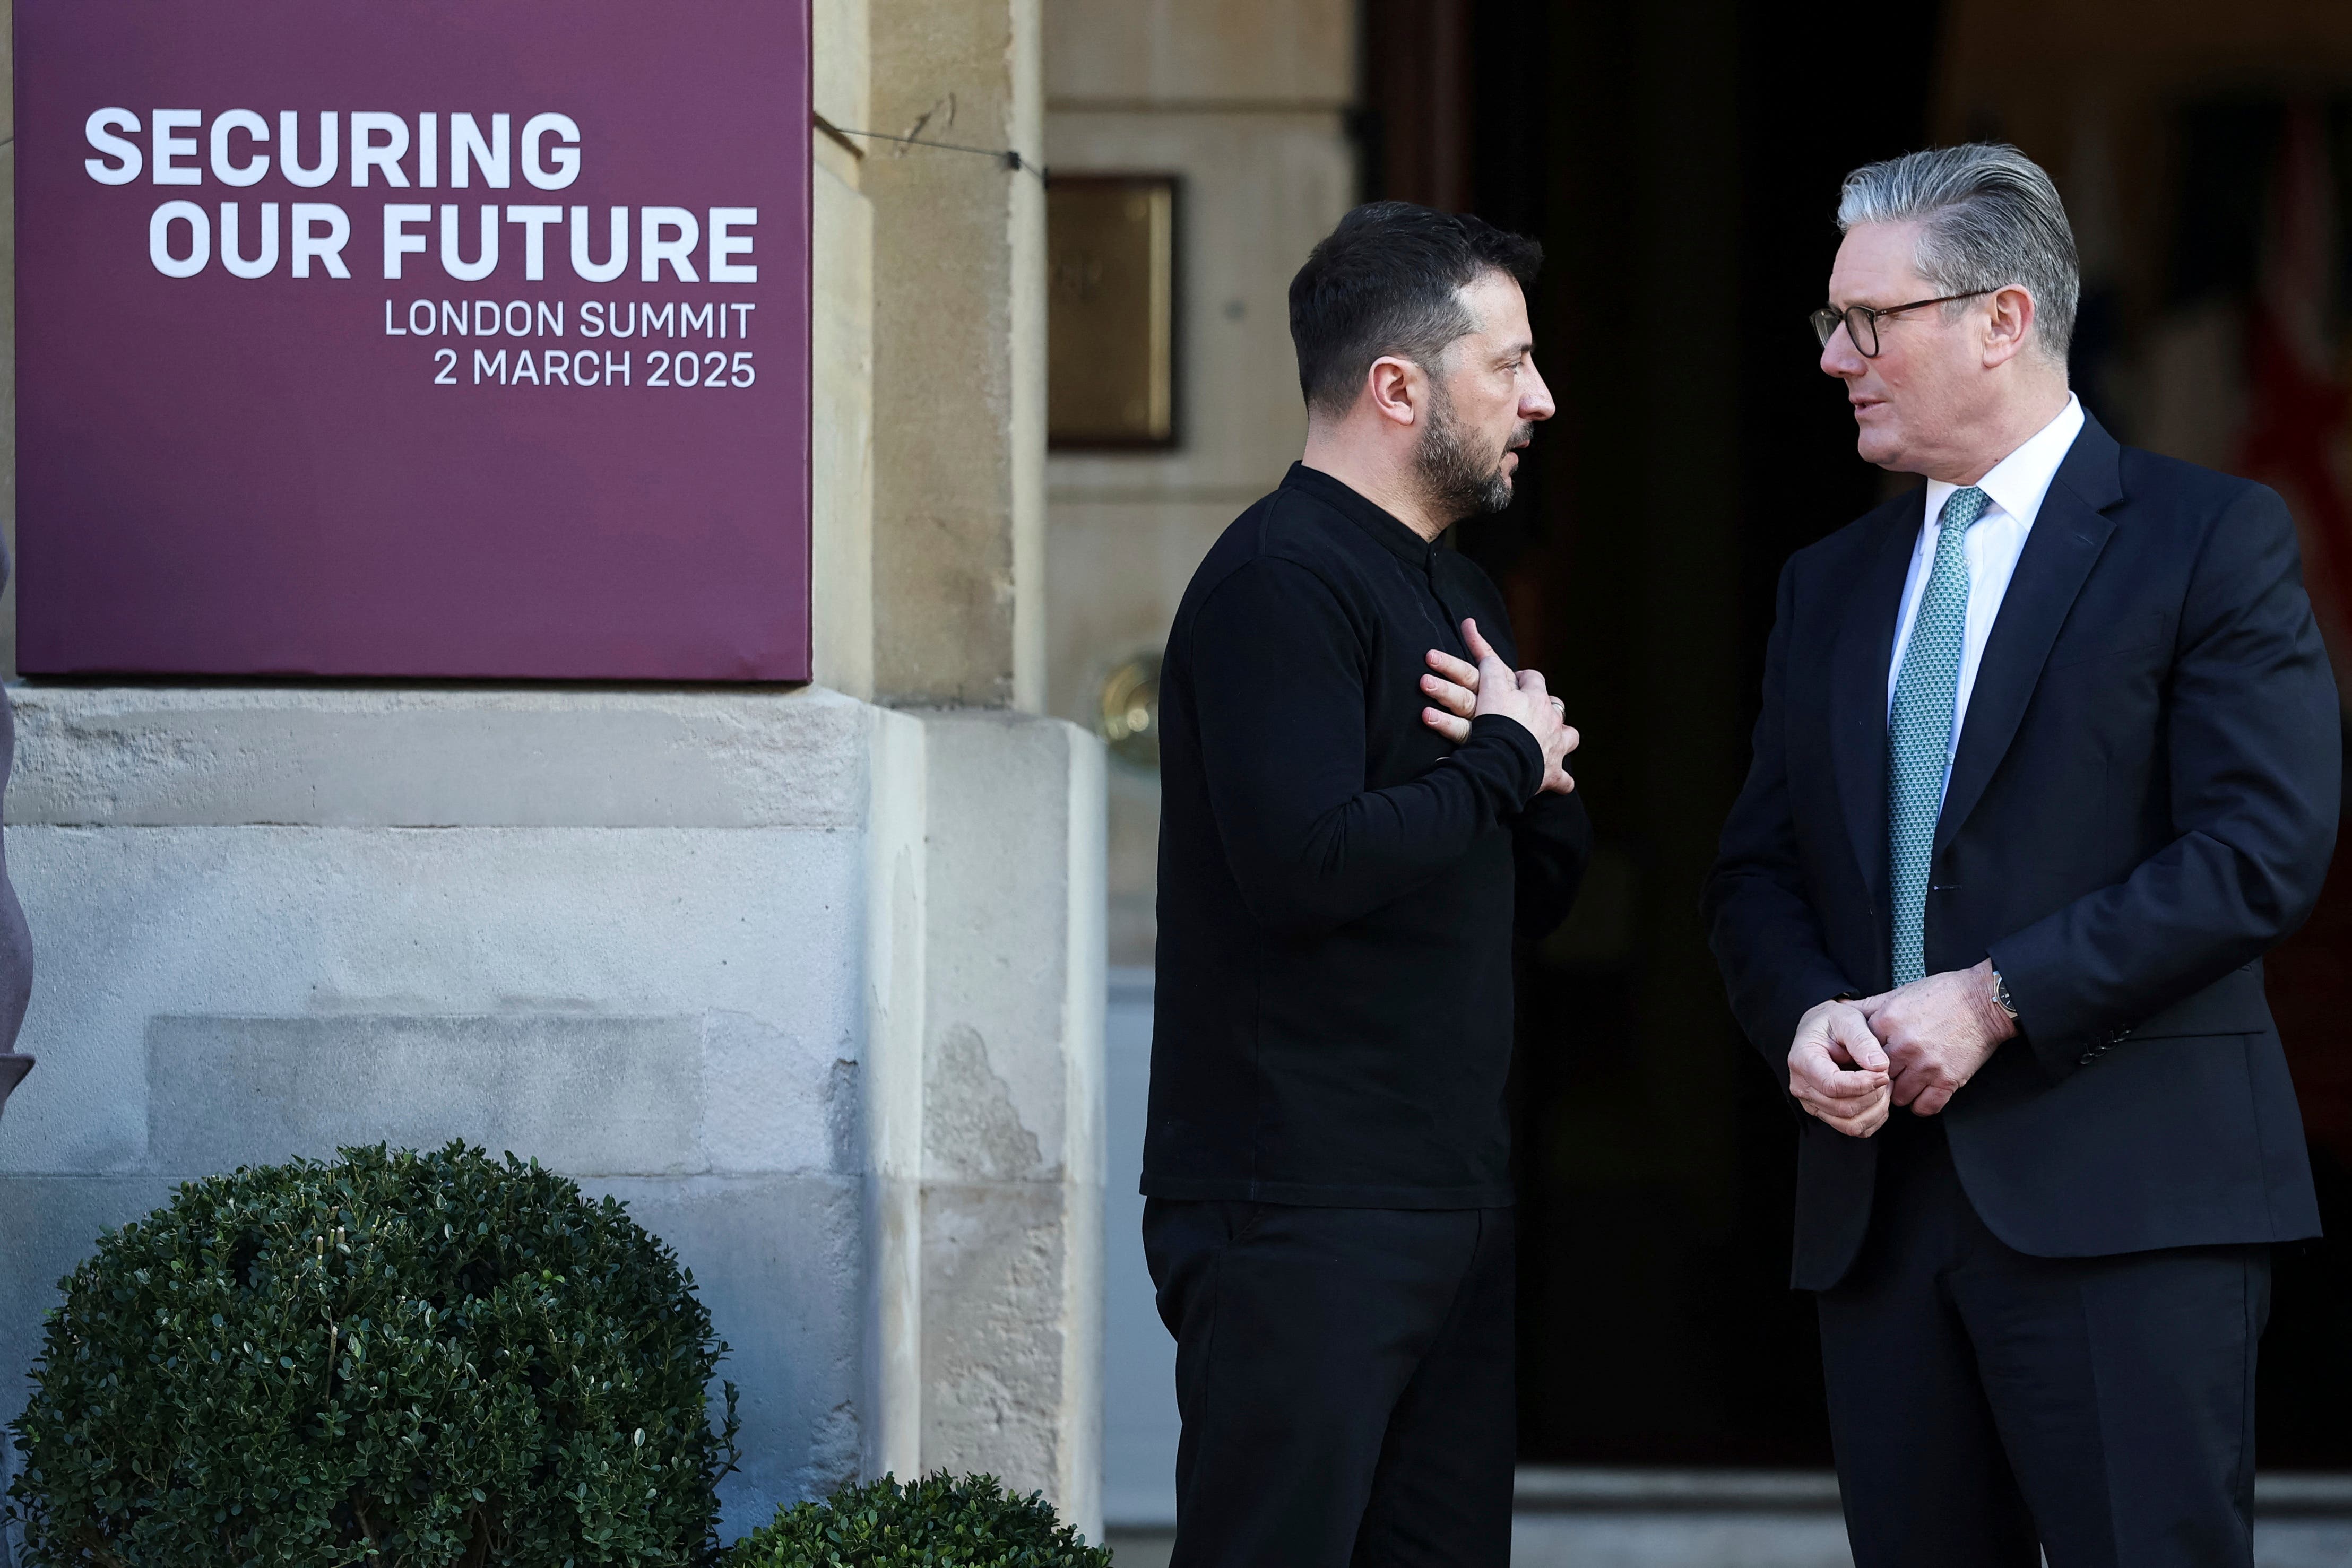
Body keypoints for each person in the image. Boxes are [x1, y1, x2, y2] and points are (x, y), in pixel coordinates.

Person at [1706, 143, 2341, 1568]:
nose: (1837, 358)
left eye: (1869, 322)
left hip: (2131, 1210)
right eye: (1833, 323)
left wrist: (1994, 997)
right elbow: (1758, 871)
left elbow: (2260, 847)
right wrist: (1807, 1011)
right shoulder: (1829, 584)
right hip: (1879, 1226)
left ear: (2001, 318)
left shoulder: (2208, 537)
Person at [1142, 201, 1589, 1567]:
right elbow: (1305, 865)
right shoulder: (1279, 582)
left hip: (1447, 1200)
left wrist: (1524, 773)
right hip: (1299, 1214)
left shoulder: (1458, 591)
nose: (1543, 398)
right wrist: (1505, 766)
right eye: (1508, 365)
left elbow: (1536, 888)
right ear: (1400, 387)